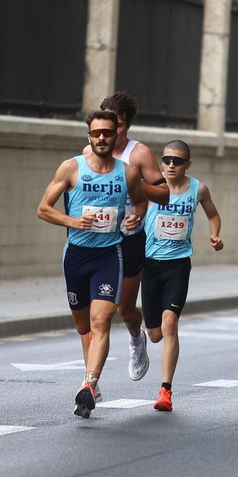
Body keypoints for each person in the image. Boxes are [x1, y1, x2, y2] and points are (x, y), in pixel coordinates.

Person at [39, 110, 171, 418]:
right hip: (76, 256)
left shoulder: (126, 172)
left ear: (115, 137)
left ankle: (88, 384)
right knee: (84, 326)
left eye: (107, 133)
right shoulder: (71, 168)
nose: (101, 137)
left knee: (101, 322)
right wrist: (73, 221)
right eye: (96, 133)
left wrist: (135, 214)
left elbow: (140, 199)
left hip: (110, 256)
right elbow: (43, 209)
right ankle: (92, 382)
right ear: (89, 136)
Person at [136, 140, 223, 412]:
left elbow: (213, 214)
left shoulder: (198, 189)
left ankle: (165, 391)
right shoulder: (151, 187)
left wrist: (215, 234)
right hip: (150, 264)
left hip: (178, 265)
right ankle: (141, 337)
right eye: (167, 160)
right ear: (161, 162)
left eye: (177, 161)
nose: (171, 165)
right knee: (155, 334)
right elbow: (133, 209)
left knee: (170, 324)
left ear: (188, 164)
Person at [83, 91, 163, 382]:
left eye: (116, 125)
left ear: (126, 126)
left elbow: (164, 194)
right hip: (97, 240)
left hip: (130, 238)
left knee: (125, 310)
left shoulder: (139, 154)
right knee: (97, 313)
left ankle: (135, 339)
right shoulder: (88, 153)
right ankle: (90, 380)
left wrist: (134, 182)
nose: (109, 131)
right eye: (104, 123)